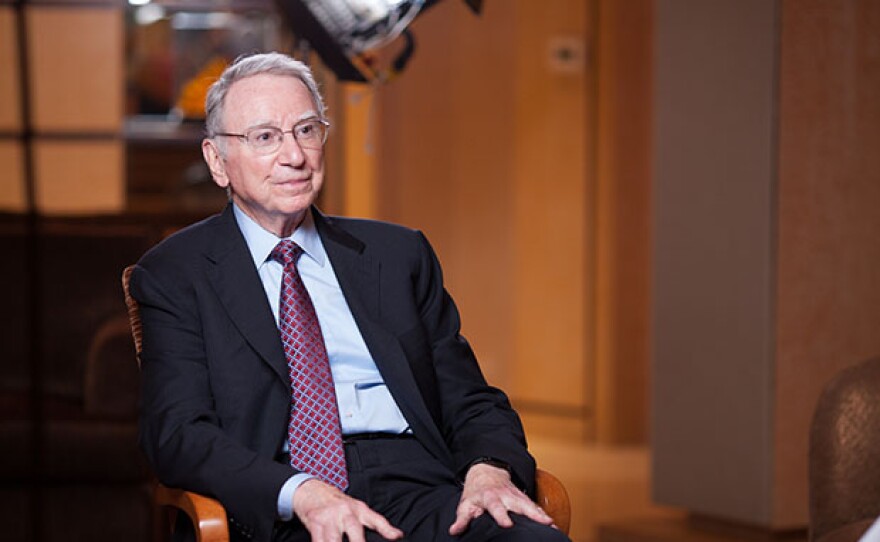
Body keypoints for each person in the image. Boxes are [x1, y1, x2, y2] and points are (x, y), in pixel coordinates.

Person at [130, 51, 570, 542]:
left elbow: (470, 399)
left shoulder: (397, 255)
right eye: (265, 137)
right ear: (217, 160)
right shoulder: (176, 273)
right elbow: (177, 434)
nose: (294, 156)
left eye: (306, 130)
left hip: (421, 486)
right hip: (285, 500)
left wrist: (488, 468)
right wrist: (300, 492)